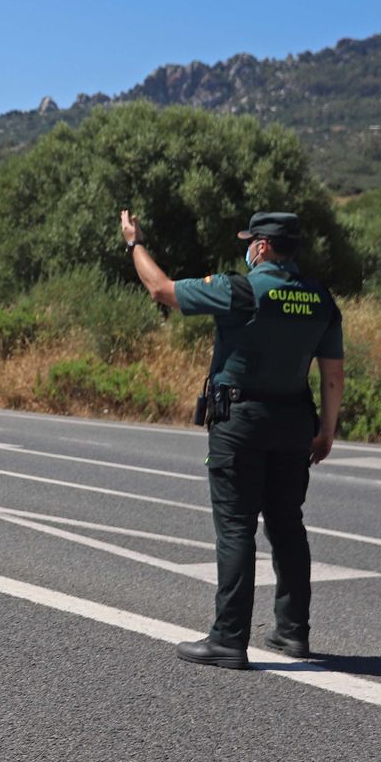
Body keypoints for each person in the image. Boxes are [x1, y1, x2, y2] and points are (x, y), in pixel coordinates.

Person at [120, 209, 344, 669]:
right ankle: (292, 632)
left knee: (237, 526)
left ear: (260, 246)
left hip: (241, 422)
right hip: (293, 423)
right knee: (287, 526)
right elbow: (333, 373)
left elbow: (160, 290)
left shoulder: (239, 289)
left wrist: (133, 244)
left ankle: (228, 638)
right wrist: (327, 430)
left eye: (250, 241)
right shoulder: (321, 299)